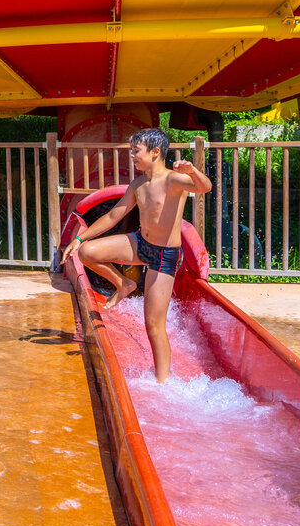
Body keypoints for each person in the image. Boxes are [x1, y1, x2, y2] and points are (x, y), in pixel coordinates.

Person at [62, 128, 211, 382]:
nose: (132, 155)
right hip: (140, 243)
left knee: (153, 325)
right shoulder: (138, 184)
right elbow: (113, 215)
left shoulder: (174, 180)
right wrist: (78, 238)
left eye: (135, 150)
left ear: (155, 153)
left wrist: (192, 171)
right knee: (88, 252)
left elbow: (204, 187)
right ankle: (124, 283)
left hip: (164, 256)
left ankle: (162, 382)